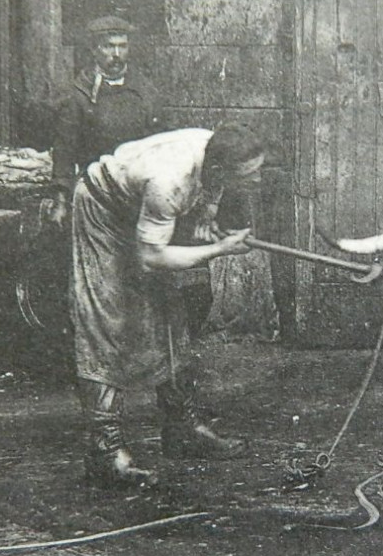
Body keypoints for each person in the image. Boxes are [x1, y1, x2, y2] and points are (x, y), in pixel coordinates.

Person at [71, 123, 264, 486]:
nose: (256, 181)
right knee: (109, 317)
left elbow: (211, 188)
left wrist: (206, 218)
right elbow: (152, 257)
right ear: (220, 168)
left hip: (139, 207)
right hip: (102, 209)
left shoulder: (213, 151)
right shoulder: (169, 181)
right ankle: (104, 451)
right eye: (249, 176)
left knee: (169, 310)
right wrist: (219, 249)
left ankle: (182, 428)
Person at [47, 15, 166, 230]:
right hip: (96, 193)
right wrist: (61, 202)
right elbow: (64, 150)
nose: (117, 54)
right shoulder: (78, 96)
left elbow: (161, 142)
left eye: (122, 46)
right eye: (108, 47)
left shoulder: (146, 92)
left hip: (137, 194)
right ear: (94, 50)